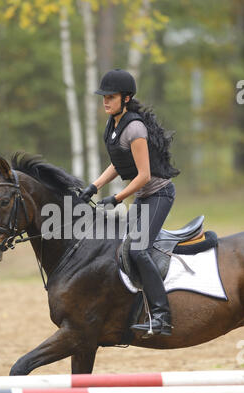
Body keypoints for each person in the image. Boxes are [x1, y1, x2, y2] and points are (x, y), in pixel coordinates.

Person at [80, 69, 180, 336]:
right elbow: (119, 163)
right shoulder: (114, 124)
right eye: (103, 97)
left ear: (126, 98)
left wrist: (115, 198)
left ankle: (162, 315)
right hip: (143, 196)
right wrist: (94, 186)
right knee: (124, 249)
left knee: (137, 251)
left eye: (110, 97)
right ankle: (139, 306)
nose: (105, 101)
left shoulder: (134, 127)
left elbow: (145, 175)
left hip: (158, 195)